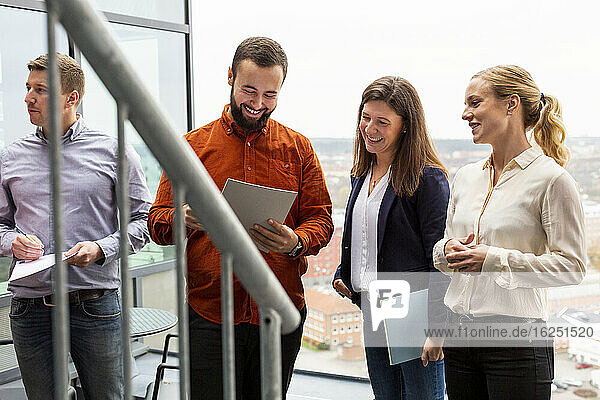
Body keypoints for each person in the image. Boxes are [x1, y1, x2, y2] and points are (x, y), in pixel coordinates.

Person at [148, 36, 333, 399]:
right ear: (230, 76)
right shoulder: (191, 148)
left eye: (270, 95)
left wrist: (296, 241)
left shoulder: (298, 148)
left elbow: (321, 221)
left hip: (279, 312)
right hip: (209, 316)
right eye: (250, 90)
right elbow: (157, 222)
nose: (258, 104)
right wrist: (183, 217)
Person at [0, 53, 152, 400]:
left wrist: (102, 249)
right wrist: (13, 244)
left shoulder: (114, 151)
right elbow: (0, 226)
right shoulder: (9, 157)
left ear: (72, 98)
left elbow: (143, 221)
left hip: (95, 305)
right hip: (30, 308)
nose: (28, 98)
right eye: (28, 89)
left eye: (40, 89)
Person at [433, 65, 586, 400]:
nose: (465, 114)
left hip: (517, 345)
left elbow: (572, 268)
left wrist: (495, 259)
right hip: (459, 339)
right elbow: (442, 249)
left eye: (475, 102)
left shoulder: (552, 180)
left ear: (510, 104)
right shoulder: (466, 177)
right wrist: (447, 252)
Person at [332, 76, 449, 400]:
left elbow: (439, 261)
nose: (370, 128)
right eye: (366, 117)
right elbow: (366, 236)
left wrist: (437, 331)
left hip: (413, 312)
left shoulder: (427, 179)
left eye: (382, 122)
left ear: (405, 127)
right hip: (374, 307)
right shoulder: (362, 174)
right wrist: (348, 276)